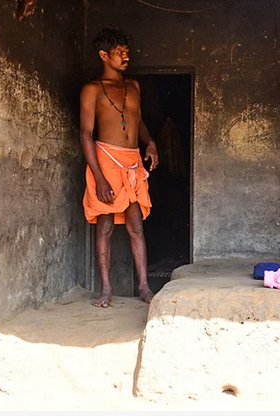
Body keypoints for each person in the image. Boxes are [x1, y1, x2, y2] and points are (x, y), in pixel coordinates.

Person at [80, 27, 159, 308]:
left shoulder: (133, 86)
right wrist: (99, 178)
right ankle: (106, 290)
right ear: (104, 55)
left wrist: (149, 143)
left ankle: (144, 287)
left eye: (127, 52)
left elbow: (139, 121)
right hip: (106, 161)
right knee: (105, 227)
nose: (126, 57)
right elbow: (86, 134)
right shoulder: (91, 89)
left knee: (136, 226)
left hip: (132, 160)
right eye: (119, 52)